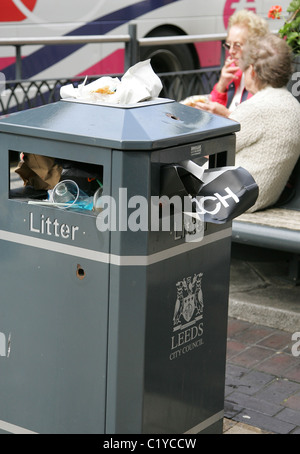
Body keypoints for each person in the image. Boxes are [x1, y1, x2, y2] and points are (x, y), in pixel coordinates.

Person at [227, 33, 300, 212]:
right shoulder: (293, 105)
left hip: (229, 199)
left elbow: (209, 149)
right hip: (263, 198)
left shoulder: (257, 108)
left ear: (252, 70)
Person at [184, 9, 269, 116]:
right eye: (228, 45)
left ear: (255, 45)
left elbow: (254, 123)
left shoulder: (262, 79)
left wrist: (227, 115)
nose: (231, 51)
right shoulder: (234, 70)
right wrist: (221, 84)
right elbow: (213, 108)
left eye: (237, 45)